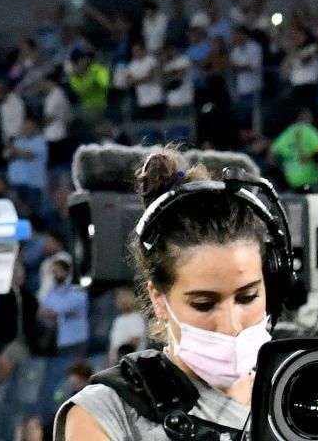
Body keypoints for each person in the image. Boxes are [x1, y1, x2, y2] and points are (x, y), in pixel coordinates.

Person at [55, 149, 286, 441]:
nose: (231, 325)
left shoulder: (305, 400)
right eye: (204, 304)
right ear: (159, 299)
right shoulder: (107, 413)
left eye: (247, 297)